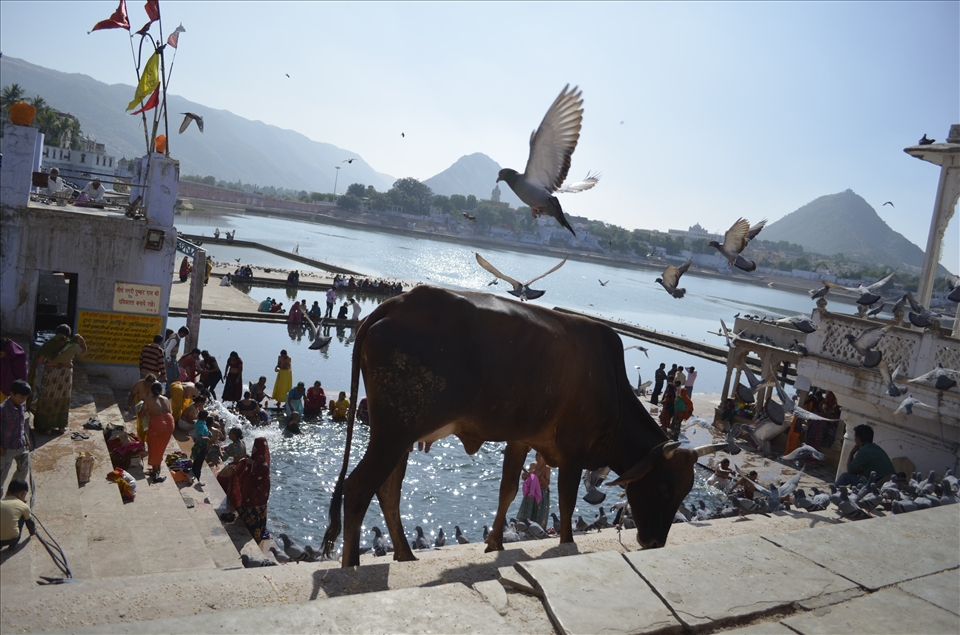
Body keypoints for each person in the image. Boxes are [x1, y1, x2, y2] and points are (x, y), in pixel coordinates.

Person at [29, 325, 87, 434]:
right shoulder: (72, 345)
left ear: (56, 333)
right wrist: (81, 339)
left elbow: (39, 361)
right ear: (68, 335)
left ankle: (47, 428)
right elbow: (83, 351)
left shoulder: (50, 343)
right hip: (65, 375)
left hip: (51, 374)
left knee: (47, 398)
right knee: (63, 399)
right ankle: (61, 426)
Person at [230, 437, 271, 542]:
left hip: (259, 490)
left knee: (255, 506)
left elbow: (262, 469)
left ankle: (256, 531)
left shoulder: (263, 460)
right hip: (257, 489)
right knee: (251, 505)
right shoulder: (257, 456)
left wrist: (251, 463)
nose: (254, 448)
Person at [1, 380, 32, 488]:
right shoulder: (3, 409)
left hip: (21, 445)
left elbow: (21, 423)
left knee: (23, 470)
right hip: (6, 448)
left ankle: (13, 494)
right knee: (2, 475)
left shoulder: (22, 405)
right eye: (21, 397)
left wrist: (26, 437)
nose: (23, 400)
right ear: (11, 394)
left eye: (25, 398)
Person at [143, 382, 174, 483]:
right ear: (161, 390)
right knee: (160, 447)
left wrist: (142, 410)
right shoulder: (165, 399)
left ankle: (156, 472)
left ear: (151, 390)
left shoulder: (148, 400)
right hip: (169, 424)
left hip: (158, 425)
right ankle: (156, 470)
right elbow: (170, 412)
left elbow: (140, 414)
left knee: (153, 445)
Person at [517, 452, 551, 529]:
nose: (538, 457)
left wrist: (540, 475)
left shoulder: (547, 468)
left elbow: (547, 483)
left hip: (542, 492)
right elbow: (526, 478)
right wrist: (525, 475)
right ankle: (523, 528)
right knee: (527, 511)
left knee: (539, 513)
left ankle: (538, 529)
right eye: (536, 455)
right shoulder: (532, 465)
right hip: (531, 492)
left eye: (540, 455)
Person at [1, 480, 36, 551]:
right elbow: (30, 524)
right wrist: (33, 532)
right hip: (11, 539)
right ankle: (13, 545)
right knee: (23, 516)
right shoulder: (23, 506)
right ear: (23, 494)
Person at [215, 427, 247, 494]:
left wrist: (219, 450)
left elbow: (223, 459)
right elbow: (239, 454)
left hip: (235, 467)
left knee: (219, 478)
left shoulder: (232, 445)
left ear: (234, 435)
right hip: (242, 465)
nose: (228, 434)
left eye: (230, 433)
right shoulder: (242, 443)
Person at [127, 374, 157, 441]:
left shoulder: (156, 387)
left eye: (150, 386)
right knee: (141, 423)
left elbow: (159, 398)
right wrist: (128, 406)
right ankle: (141, 441)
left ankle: (148, 440)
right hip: (140, 403)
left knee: (150, 424)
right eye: (147, 385)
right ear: (145, 381)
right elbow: (132, 394)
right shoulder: (139, 384)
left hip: (150, 405)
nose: (148, 387)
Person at [190, 409, 213, 485]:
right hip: (201, 445)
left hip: (197, 444)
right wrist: (207, 438)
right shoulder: (202, 426)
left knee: (196, 460)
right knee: (199, 462)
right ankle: (198, 479)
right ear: (206, 418)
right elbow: (200, 437)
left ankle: (193, 474)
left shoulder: (197, 422)